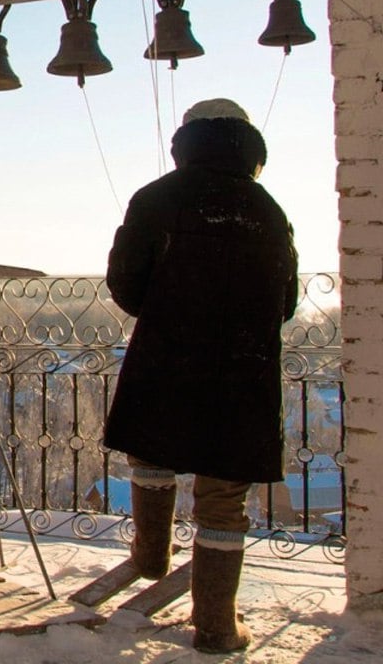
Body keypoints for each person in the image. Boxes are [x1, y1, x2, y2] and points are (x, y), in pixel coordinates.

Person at [103, 98, 299, 654]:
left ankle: (150, 553)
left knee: (151, 452)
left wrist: (168, 311)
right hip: (242, 371)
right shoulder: (268, 210)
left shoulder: (158, 199)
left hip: (167, 357)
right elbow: (285, 302)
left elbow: (125, 282)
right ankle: (215, 623)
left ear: (186, 141)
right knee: (222, 498)